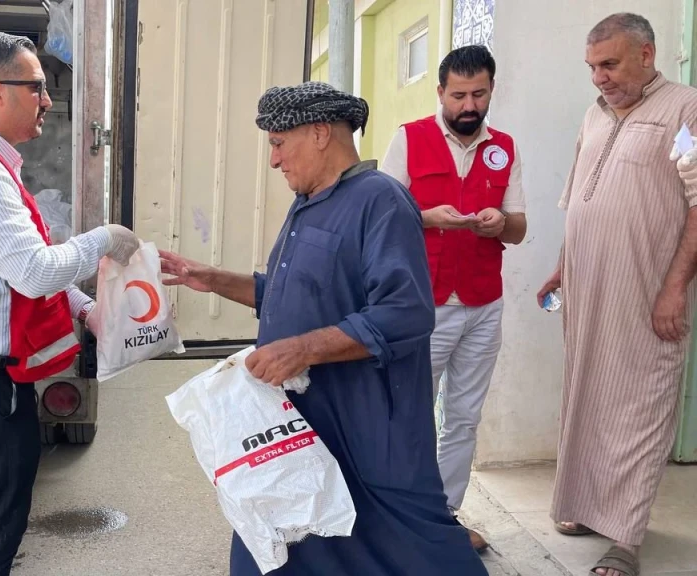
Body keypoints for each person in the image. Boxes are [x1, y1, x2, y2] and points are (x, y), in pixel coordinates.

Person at [160, 81, 487, 575]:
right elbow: (298, 296)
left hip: (370, 423)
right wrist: (212, 279)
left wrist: (303, 349)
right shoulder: (308, 201)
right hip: (304, 422)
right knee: (287, 541)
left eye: (277, 143)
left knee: (406, 549)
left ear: (318, 133)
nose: (274, 160)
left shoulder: (381, 201)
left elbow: (406, 313)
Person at [0, 27, 141, 576]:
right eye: (35, 87)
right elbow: (32, 273)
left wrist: (83, 305)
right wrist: (102, 240)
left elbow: (6, 268)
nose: (47, 100)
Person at [536, 13, 697, 576]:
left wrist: (674, 288)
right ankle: (585, 505)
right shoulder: (594, 114)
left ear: (647, 55)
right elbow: (579, 198)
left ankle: (625, 538)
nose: (599, 78)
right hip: (587, 282)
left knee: (642, 401)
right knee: (588, 394)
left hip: (646, 285)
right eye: (592, 67)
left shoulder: (686, 108)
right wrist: (562, 266)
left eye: (610, 64)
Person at [380, 44, 527, 552]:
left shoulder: (503, 147)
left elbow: (520, 228)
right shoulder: (410, 138)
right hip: (427, 302)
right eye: (459, 95)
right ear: (440, 92)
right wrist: (425, 217)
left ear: (491, 92)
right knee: (412, 412)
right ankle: (404, 516)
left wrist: (500, 223)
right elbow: (381, 219)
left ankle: (444, 518)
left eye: (479, 94)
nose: (469, 105)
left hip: (484, 303)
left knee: (464, 415)